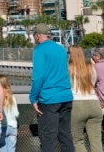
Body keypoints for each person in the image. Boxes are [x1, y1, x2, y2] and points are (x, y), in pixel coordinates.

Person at [28, 23, 74, 152]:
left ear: (37, 36)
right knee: (65, 136)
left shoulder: (39, 50)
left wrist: (33, 98)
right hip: (66, 96)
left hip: (49, 99)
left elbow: (38, 76)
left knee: (48, 138)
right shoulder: (61, 49)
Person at [67, 45, 102, 152]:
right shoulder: (91, 67)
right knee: (96, 140)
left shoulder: (68, 68)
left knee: (77, 140)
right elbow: (95, 83)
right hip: (94, 104)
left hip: (77, 105)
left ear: (70, 54)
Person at [0, 75, 18, 152]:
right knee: (12, 148)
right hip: (13, 127)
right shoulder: (12, 97)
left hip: (1, 127)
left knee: (3, 149)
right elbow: (16, 114)